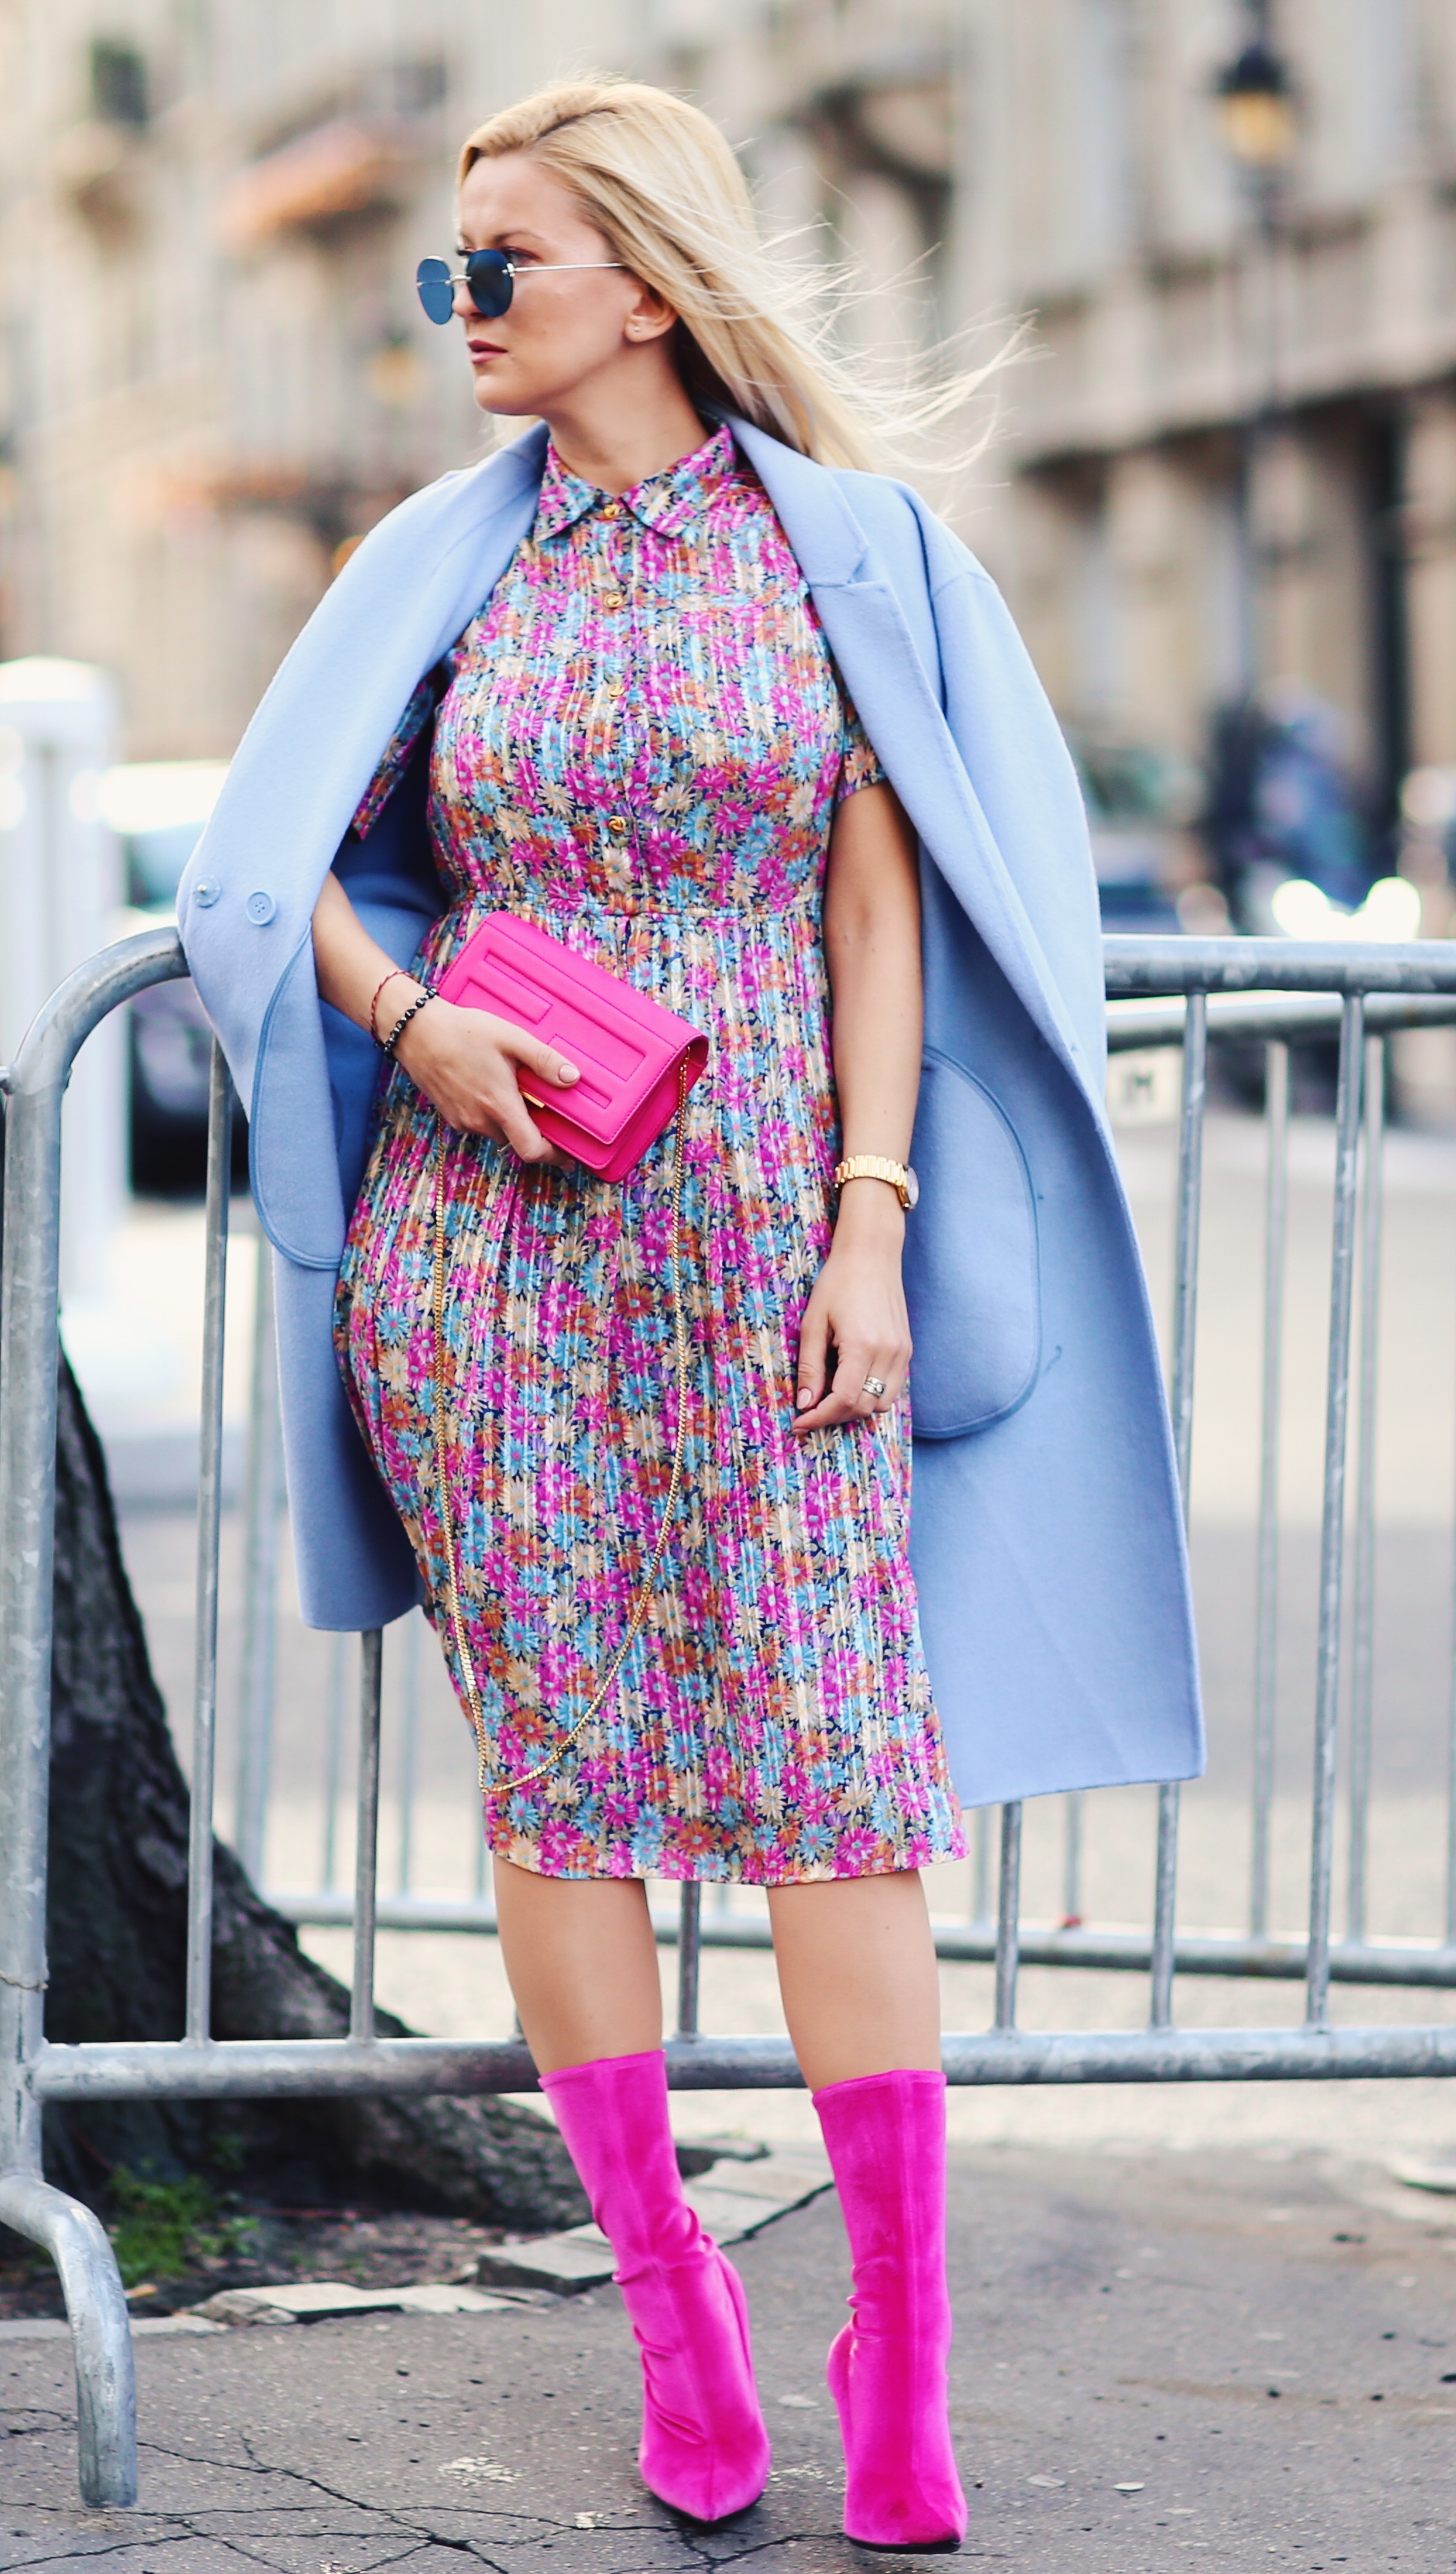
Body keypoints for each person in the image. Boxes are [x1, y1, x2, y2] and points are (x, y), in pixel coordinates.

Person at [175, 80, 1201, 2549]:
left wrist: (867, 1215)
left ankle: (903, 2358)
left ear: (642, 274)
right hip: (483, 1251)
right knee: (564, 1784)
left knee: (840, 1775)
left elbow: (884, 908)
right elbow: (273, 859)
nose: (463, 304)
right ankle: (673, 2319)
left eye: (498, 257)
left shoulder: (846, 552)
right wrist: (417, 1027)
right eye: (452, 263)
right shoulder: (446, 563)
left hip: (765, 1245)